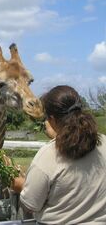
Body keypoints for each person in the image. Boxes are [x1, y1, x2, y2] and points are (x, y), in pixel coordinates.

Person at [12, 85, 106, 224]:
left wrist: (20, 185)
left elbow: (30, 205)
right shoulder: (102, 141)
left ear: (52, 119)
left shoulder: (47, 155)